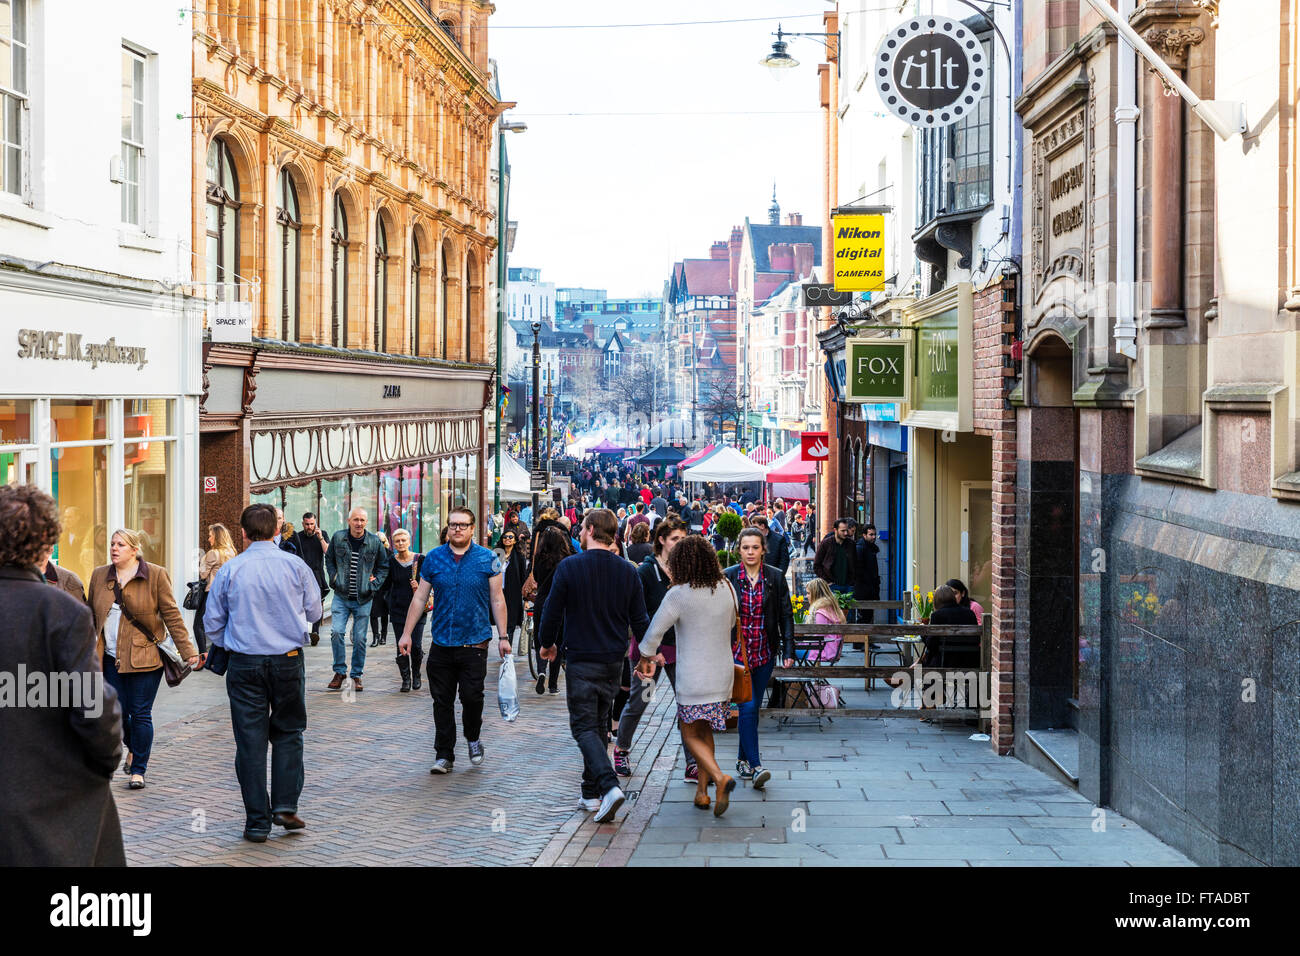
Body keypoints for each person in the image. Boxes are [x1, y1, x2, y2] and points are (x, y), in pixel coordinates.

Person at [0, 485, 125, 866]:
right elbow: (92, 708)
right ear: (45, 546)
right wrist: (105, 759)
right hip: (53, 802)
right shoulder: (61, 612)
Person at [204, 504, 322, 843]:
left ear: (242, 532)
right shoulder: (295, 565)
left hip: (245, 662)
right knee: (288, 732)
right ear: (275, 531)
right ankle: (285, 805)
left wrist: (235, 637)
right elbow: (314, 610)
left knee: (250, 742)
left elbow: (212, 622)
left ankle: (257, 821)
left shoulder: (231, 570)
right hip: (286, 659)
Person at [537, 509, 647, 823]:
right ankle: (590, 792)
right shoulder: (628, 571)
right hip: (613, 659)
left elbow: (552, 612)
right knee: (598, 724)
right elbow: (640, 621)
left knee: (583, 726)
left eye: (582, 528)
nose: (579, 532)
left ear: (590, 529)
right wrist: (646, 656)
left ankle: (608, 785)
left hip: (583, 659)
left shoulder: (569, 567)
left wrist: (547, 645)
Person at [398, 507, 511, 774]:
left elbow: (497, 599)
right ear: (447, 528)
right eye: (452, 525)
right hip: (442, 644)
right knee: (442, 701)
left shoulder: (488, 559)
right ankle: (444, 754)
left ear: (473, 528)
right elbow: (419, 598)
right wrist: (406, 634)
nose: (457, 529)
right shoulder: (434, 559)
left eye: (462, 525)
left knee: (472, 698)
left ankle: (473, 738)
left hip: (475, 643)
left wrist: (503, 637)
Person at [89, 528, 199, 790]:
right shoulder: (99, 575)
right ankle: (134, 747)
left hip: (145, 658)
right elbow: (89, 615)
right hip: (110, 658)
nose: (114, 548)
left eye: (121, 545)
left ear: (135, 549)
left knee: (140, 714)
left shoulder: (155, 574)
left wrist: (188, 651)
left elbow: (171, 614)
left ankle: (138, 769)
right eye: (112, 544)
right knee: (116, 714)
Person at [637, 534, 738, 816]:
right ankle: (702, 793)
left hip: (694, 675)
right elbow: (732, 622)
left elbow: (653, 634)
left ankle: (720, 778)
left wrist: (645, 657)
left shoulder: (679, 594)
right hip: (722, 672)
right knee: (705, 731)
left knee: (688, 729)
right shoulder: (727, 587)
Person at [612, 517, 696, 781]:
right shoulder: (646, 572)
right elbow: (640, 613)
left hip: (678, 650)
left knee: (687, 704)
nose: (679, 544)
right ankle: (622, 749)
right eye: (675, 539)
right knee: (640, 701)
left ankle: (692, 762)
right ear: (661, 540)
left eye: (683, 539)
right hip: (650, 652)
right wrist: (652, 650)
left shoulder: (685, 570)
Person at [722, 528, 794, 791]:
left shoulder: (774, 577)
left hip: (764, 653)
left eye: (755, 547)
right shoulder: (729, 577)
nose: (750, 552)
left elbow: (786, 615)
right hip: (738, 656)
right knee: (748, 707)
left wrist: (788, 650)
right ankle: (756, 766)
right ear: (738, 549)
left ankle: (742, 759)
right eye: (745, 547)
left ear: (764, 549)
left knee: (751, 709)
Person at [324, 507, 389, 692]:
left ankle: (356, 675)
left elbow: (383, 566)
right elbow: (329, 560)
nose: (359, 523)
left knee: (360, 638)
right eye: (355, 520)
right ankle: (339, 672)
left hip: (364, 598)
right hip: (341, 597)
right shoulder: (338, 538)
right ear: (349, 520)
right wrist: (334, 578)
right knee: (336, 632)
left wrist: (374, 584)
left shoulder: (374, 542)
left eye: (362, 520)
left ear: (366, 522)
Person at [530, 525, 573, 695]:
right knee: (559, 641)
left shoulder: (539, 558)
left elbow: (538, 578)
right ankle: (553, 684)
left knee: (541, 638)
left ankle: (541, 671)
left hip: (541, 600)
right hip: (560, 601)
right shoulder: (565, 560)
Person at [386, 529, 426, 693]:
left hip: (418, 609)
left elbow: (430, 581)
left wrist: (419, 587)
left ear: (409, 542)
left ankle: (416, 674)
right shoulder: (391, 562)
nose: (401, 543)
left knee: (415, 645)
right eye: (397, 541)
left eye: (403, 540)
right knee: (400, 645)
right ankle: (405, 679)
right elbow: (386, 584)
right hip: (398, 609)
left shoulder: (420, 559)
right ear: (393, 544)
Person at [284, 512, 330, 646]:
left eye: (312, 524)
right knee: (302, 604)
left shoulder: (322, 534)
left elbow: (328, 552)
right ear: (303, 524)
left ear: (315, 523)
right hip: (301, 575)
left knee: (317, 603)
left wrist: (321, 538)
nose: (309, 527)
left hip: (317, 574)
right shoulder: (297, 537)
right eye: (307, 524)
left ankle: (315, 632)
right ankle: (304, 631)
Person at [194, 523, 237, 659]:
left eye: (211, 536)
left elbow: (203, 575)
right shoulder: (231, 552)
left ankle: (203, 657)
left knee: (198, 625)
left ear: (217, 537)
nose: (208, 539)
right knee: (222, 623)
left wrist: (202, 559)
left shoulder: (213, 553)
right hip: (226, 593)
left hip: (210, 593)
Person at [924, 585, 979, 667]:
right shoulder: (969, 613)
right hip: (969, 662)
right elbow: (977, 639)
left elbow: (932, 644)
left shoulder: (937, 615)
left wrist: (923, 636)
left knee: (925, 661)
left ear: (936, 601)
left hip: (944, 663)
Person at [814, 518, 857, 610]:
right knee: (832, 614)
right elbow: (817, 565)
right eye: (842, 531)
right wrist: (827, 581)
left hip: (848, 586)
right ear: (835, 530)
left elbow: (855, 564)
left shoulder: (851, 544)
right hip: (832, 586)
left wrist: (852, 582)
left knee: (848, 615)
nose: (846, 533)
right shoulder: (826, 543)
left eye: (846, 530)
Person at [499, 527, 527, 662]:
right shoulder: (496, 554)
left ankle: (507, 648)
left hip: (513, 594)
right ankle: (503, 640)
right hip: (499, 592)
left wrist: (526, 598)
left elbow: (523, 577)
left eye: (510, 537)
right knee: (500, 620)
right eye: (505, 537)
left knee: (511, 621)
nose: (507, 539)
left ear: (515, 540)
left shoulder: (519, 557)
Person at [855, 524, 882, 623]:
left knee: (868, 616)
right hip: (863, 590)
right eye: (871, 534)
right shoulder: (860, 548)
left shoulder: (871, 547)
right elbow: (859, 571)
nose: (874, 537)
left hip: (870, 589)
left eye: (874, 534)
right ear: (864, 535)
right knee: (864, 617)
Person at [369, 532, 392, 648]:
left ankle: (383, 635)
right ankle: (375, 637)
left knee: (384, 613)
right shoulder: (370, 553)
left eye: (381, 542)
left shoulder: (389, 554)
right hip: (373, 587)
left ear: (385, 543)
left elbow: (391, 571)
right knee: (373, 613)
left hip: (386, 588)